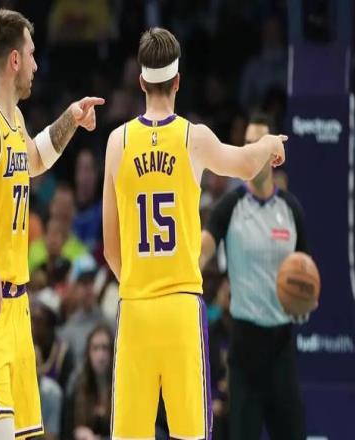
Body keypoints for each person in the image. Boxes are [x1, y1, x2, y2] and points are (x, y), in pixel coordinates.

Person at [102, 28, 287, 439]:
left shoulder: (117, 143)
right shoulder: (193, 137)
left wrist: (138, 284)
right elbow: (245, 163)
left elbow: (110, 247)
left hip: (136, 306)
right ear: (178, 82)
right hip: (182, 308)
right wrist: (271, 143)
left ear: (141, 82)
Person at [0, 8, 104, 440]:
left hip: (17, 307)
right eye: (32, 55)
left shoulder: (14, 119)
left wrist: (70, 118)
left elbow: (34, 160)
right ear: (15, 59)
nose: (36, 65)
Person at [200, 113, 308, 440]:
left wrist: (304, 302)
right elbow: (201, 251)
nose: (250, 150)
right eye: (247, 143)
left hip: (281, 346)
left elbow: (305, 269)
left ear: (274, 154)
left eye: (258, 143)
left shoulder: (291, 209)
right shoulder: (229, 206)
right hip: (244, 347)